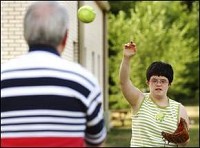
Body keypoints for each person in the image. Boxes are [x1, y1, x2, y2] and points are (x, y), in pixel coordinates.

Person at [1, 1, 106, 147]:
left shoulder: (3, 78)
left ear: (26, 35)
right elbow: (96, 141)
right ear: (65, 37)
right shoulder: (84, 81)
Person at [119, 41, 190, 147]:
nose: (158, 84)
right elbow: (124, 82)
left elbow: (184, 144)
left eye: (163, 81)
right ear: (148, 82)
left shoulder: (179, 109)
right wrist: (126, 58)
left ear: (169, 84)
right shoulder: (139, 100)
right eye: (154, 80)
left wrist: (183, 140)